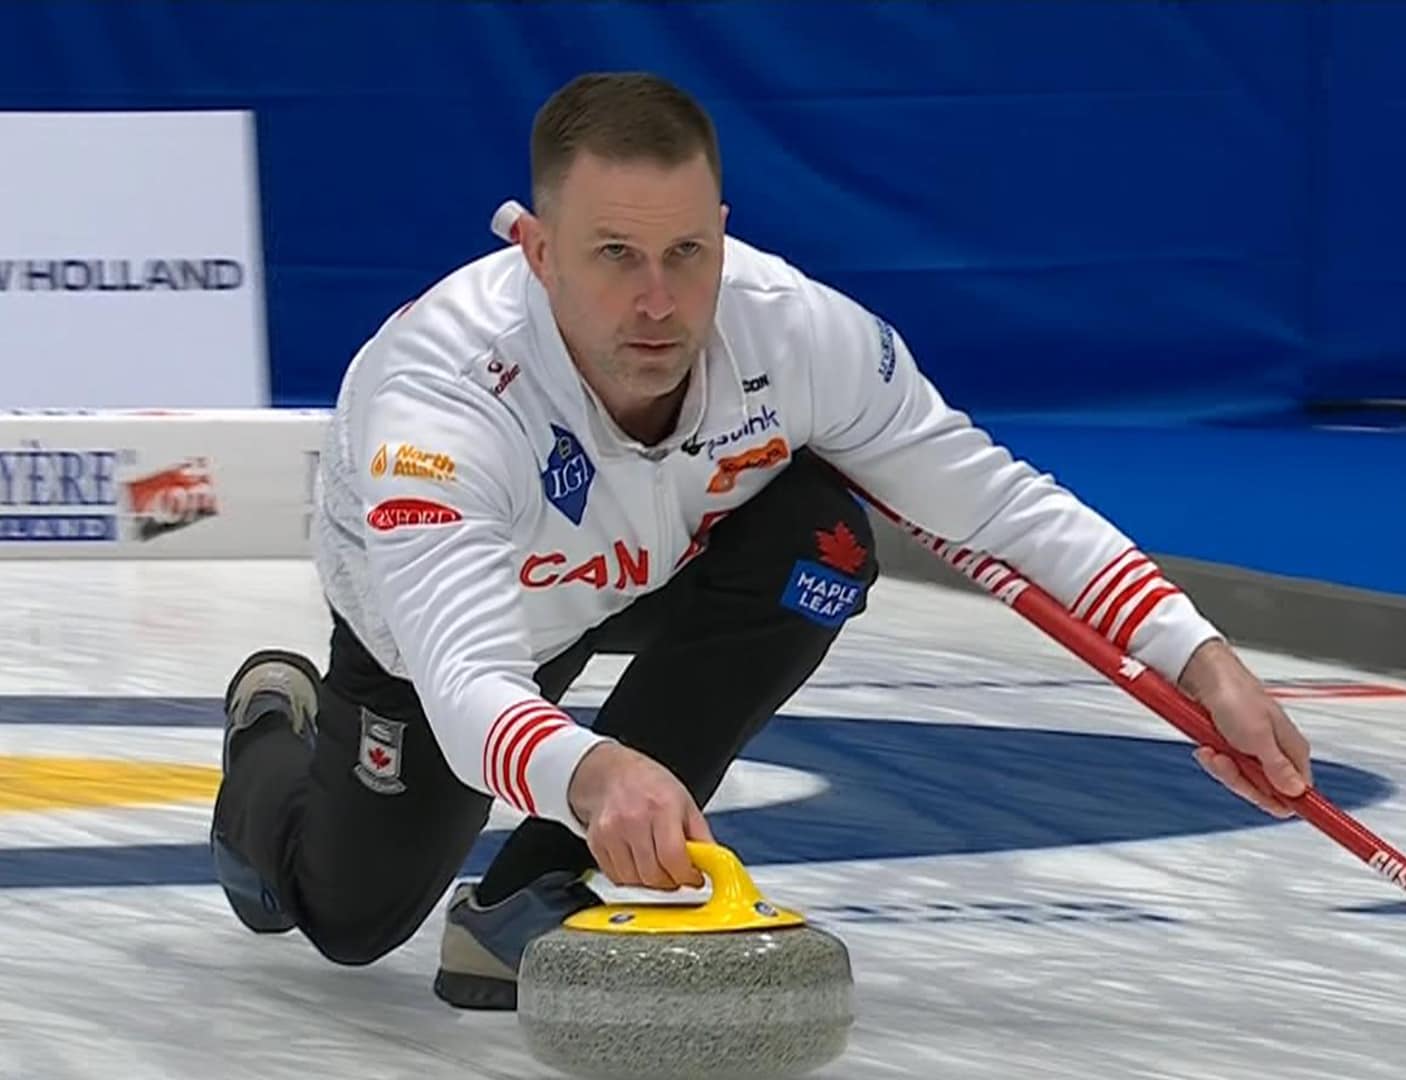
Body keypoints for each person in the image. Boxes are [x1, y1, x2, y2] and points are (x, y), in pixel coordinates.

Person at [208, 71, 1313, 1010]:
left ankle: (544, 893)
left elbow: (997, 508)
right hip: (445, 636)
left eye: (687, 251)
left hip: (645, 568)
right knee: (350, 920)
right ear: (537, 253)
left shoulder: (795, 332)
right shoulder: (443, 397)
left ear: (724, 233)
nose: (659, 302)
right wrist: (592, 768)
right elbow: (465, 681)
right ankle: (268, 728)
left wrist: (1199, 660)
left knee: (823, 536)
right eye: (613, 256)